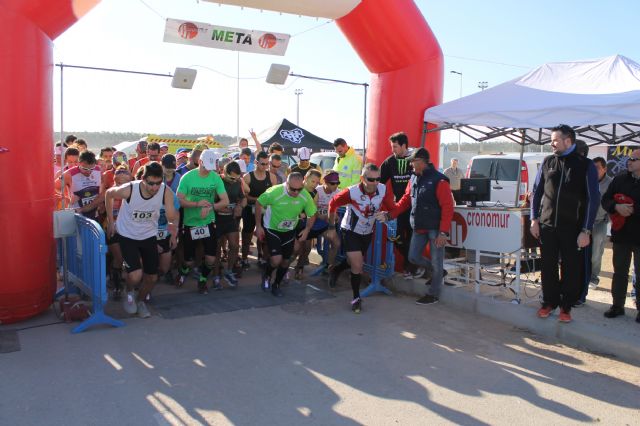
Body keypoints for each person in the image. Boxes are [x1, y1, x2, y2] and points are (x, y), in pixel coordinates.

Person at [530, 124, 599, 323]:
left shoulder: (585, 165)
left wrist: (586, 230)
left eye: (555, 140)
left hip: (573, 228)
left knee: (571, 268)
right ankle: (549, 302)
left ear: (568, 141)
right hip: (547, 226)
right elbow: (536, 193)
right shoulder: (547, 161)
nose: (551, 143)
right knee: (548, 266)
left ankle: (566, 306)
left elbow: (593, 199)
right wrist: (534, 219)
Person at [105, 162, 178, 318]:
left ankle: (140, 301)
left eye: (158, 183)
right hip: (127, 235)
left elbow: (172, 216)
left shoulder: (165, 191)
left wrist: (172, 229)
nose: (154, 187)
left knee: (152, 277)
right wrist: (111, 221)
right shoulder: (130, 189)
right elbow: (109, 194)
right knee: (135, 275)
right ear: (143, 179)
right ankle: (129, 290)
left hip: (148, 236)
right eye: (151, 183)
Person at [327, 164, 396, 313]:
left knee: (353, 262)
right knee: (358, 265)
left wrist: (386, 214)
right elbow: (332, 204)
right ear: (362, 178)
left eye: (378, 179)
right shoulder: (351, 192)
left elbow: (392, 208)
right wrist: (331, 227)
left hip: (367, 232)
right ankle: (356, 298)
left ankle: (336, 270)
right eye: (371, 179)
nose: (375, 183)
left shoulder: (383, 189)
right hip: (350, 231)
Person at [389, 148, 454, 305]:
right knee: (413, 257)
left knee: (437, 262)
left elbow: (447, 207)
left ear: (422, 161)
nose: (410, 164)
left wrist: (443, 233)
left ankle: (433, 294)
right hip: (419, 226)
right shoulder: (413, 179)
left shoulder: (440, 180)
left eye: (413, 161)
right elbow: (405, 200)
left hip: (435, 229)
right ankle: (437, 272)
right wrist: (391, 214)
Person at [175, 149, 229, 294]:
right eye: (206, 167)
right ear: (199, 162)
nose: (208, 171)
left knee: (211, 258)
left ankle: (203, 280)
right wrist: (197, 205)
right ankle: (183, 271)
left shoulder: (215, 177)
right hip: (190, 223)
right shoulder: (187, 177)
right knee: (189, 261)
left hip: (208, 221)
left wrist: (211, 207)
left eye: (211, 168)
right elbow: (178, 200)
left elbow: (225, 201)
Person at [255, 172, 317, 297]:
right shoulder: (275, 192)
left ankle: (276, 284)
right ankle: (267, 274)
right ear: (286, 184)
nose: (296, 192)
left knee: (285, 261)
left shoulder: (304, 195)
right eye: (292, 189)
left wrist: (307, 230)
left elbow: (312, 214)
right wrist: (258, 225)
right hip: (272, 229)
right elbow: (258, 203)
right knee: (276, 260)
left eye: (299, 189)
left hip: (289, 230)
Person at [600, 149, 640, 322]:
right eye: (629, 158)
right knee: (619, 272)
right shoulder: (620, 179)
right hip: (621, 235)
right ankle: (617, 306)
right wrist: (616, 207)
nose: (629, 161)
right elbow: (606, 199)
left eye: (633, 159)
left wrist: (631, 209)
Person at [379, 131, 422, 280]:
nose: (393, 150)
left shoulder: (415, 160)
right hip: (401, 207)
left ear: (404, 145)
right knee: (396, 237)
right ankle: (415, 264)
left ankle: (410, 268)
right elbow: (379, 182)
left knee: (411, 238)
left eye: (395, 147)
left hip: (416, 207)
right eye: (392, 146)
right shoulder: (389, 162)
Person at [241, 151, 278, 269]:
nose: (265, 166)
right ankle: (244, 258)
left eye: (267, 164)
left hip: (265, 210)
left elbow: (273, 196)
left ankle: (262, 257)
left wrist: (262, 202)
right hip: (249, 209)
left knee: (264, 236)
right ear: (256, 162)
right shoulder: (247, 176)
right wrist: (258, 200)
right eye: (263, 164)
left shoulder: (272, 177)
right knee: (247, 235)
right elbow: (243, 196)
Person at [213, 161, 246, 288]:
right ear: (224, 173)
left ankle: (229, 271)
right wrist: (220, 207)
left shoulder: (238, 182)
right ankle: (216, 275)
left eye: (237, 178)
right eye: (232, 177)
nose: (234, 180)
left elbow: (243, 198)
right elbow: (211, 202)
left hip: (231, 218)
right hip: (217, 218)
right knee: (216, 248)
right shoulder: (217, 181)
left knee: (234, 245)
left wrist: (240, 206)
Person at [105, 166, 132, 300]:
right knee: (119, 258)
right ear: (115, 181)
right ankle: (117, 286)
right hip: (114, 229)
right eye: (119, 183)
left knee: (129, 258)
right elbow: (96, 203)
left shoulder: (134, 192)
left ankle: (125, 282)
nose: (122, 186)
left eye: (125, 183)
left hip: (129, 230)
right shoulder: (109, 192)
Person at [292, 169, 323, 279]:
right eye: (312, 181)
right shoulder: (296, 188)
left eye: (317, 182)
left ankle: (299, 268)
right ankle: (283, 267)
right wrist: (300, 214)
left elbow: (313, 211)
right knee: (296, 248)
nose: (315, 185)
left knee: (307, 247)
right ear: (305, 178)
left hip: (306, 223)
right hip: (292, 222)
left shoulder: (315, 193)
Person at [62, 150, 103, 219]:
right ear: (78, 163)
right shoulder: (69, 173)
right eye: (85, 168)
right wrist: (67, 198)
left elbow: (102, 186)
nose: (88, 172)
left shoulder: (98, 170)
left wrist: (101, 202)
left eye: (91, 168)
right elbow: (55, 187)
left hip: (93, 210)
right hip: (76, 212)